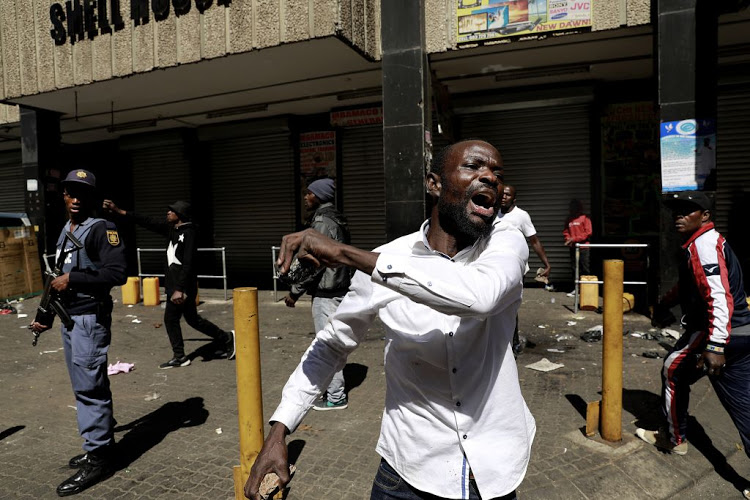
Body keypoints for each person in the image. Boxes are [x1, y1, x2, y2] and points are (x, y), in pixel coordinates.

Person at [244, 140, 535, 500]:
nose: (490, 177)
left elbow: (479, 296)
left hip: (492, 472)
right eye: (474, 167)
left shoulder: (506, 243)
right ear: (435, 183)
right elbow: (332, 344)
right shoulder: (387, 259)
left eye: (497, 173)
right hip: (407, 474)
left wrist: (345, 254)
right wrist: (279, 430)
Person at [636, 191, 750, 500]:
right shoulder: (703, 243)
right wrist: (666, 302)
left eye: (689, 210)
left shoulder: (703, 245)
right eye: (677, 210)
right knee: (744, 406)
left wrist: (714, 346)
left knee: (673, 369)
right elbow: (690, 283)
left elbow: (718, 297)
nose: (679, 215)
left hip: (723, 333)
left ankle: (675, 440)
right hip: (741, 332)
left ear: (705, 216)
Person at [30, 169, 127, 496]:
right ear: (64, 195)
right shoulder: (67, 229)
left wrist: (75, 279)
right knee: (86, 384)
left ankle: (99, 456)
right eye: (71, 192)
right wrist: (44, 315)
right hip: (71, 318)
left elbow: (117, 272)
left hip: (89, 319)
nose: (76, 199)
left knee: (90, 388)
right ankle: (102, 445)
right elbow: (56, 275)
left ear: (92, 198)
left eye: (83, 194)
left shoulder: (103, 228)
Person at [102, 199, 235, 368]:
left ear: (180, 215)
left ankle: (180, 356)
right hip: (175, 286)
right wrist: (119, 211)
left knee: (170, 319)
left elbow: (189, 263)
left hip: (183, 287)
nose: (167, 213)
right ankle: (226, 337)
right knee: (193, 319)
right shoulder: (172, 229)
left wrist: (180, 289)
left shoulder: (190, 233)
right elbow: (147, 221)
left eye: (171, 211)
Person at [284, 178, 352, 411]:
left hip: (327, 292)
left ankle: (336, 396)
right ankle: (335, 391)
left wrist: (295, 291)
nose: (306, 197)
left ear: (319, 196)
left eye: (309, 193)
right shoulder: (336, 217)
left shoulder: (323, 221)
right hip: (338, 288)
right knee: (333, 341)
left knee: (326, 344)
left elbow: (314, 263)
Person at [497, 185, 551, 356]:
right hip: (496, 268)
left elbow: (534, 241)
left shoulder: (521, 216)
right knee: (496, 306)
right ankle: (497, 341)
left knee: (511, 306)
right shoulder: (492, 213)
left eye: (508, 195)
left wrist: (546, 264)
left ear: (514, 199)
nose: (504, 197)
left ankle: (514, 343)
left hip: (516, 270)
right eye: (502, 194)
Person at [563, 199, 592, 296]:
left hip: (584, 247)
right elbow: (566, 231)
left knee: (585, 268)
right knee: (575, 268)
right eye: (571, 207)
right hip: (573, 248)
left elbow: (588, 232)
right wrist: (568, 239)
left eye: (574, 207)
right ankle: (576, 289)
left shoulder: (585, 218)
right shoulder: (569, 219)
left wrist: (574, 239)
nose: (572, 209)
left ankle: (586, 290)